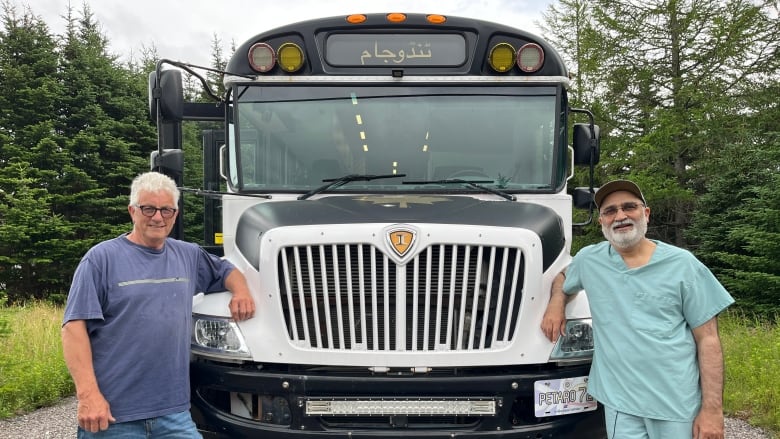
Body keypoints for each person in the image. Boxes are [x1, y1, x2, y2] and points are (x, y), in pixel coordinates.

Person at [61, 171, 256, 438]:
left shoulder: (187, 255)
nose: (157, 217)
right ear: (132, 211)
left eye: (166, 210)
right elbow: (73, 328)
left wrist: (241, 291)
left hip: (173, 415)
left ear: (175, 215)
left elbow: (226, 270)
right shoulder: (101, 259)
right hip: (114, 417)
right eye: (148, 208)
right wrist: (88, 395)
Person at [541, 179, 734, 439]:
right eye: (610, 211)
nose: (620, 216)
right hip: (620, 404)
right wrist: (556, 303)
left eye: (629, 207)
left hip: (676, 405)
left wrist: (712, 411)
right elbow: (563, 278)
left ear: (646, 213)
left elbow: (708, 339)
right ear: (601, 222)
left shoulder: (683, 265)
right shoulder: (590, 260)